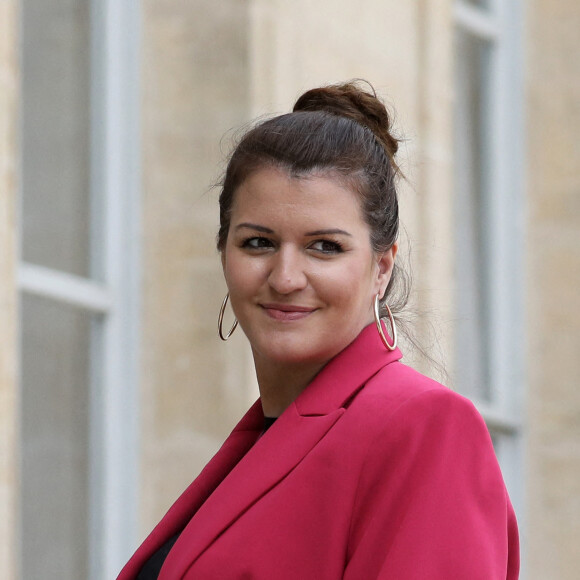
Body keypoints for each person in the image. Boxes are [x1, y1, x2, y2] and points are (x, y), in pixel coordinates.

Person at [118, 81, 520, 579]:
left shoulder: (423, 427)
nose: (285, 278)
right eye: (258, 242)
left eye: (325, 247)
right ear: (223, 253)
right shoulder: (260, 442)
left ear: (381, 267)